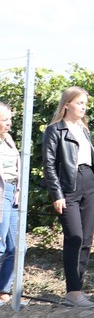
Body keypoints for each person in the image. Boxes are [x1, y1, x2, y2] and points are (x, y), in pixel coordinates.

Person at [42, 87, 94, 308]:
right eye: (79, 103)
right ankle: (73, 290)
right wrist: (57, 194)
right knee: (74, 237)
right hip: (68, 186)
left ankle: (78, 288)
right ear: (67, 104)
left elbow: (92, 163)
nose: (84, 107)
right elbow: (49, 165)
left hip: (88, 183)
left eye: (85, 103)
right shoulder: (55, 130)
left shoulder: (84, 129)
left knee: (86, 239)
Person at [0, 102, 21, 306]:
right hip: (1, 194)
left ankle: (3, 290)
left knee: (16, 246)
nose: (9, 123)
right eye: (5, 119)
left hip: (12, 193)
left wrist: (18, 190)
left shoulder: (8, 139)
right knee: (0, 245)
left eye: (10, 119)